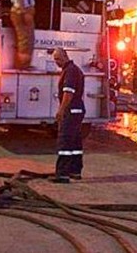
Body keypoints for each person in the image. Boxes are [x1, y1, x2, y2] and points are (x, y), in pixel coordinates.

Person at [51, 48, 85, 183]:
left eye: (58, 59)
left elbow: (68, 93)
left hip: (70, 111)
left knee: (65, 142)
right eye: (55, 60)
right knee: (75, 143)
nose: (56, 62)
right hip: (77, 111)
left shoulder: (70, 71)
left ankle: (62, 174)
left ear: (65, 56)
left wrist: (61, 110)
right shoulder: (74, 69)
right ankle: (75, 171)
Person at [8, 0, 36, 69]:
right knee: (25, 39)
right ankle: (22, 65)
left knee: (27, 39)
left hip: (20, 12)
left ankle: (24, 63)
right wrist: (26, 14)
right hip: (21, 12)